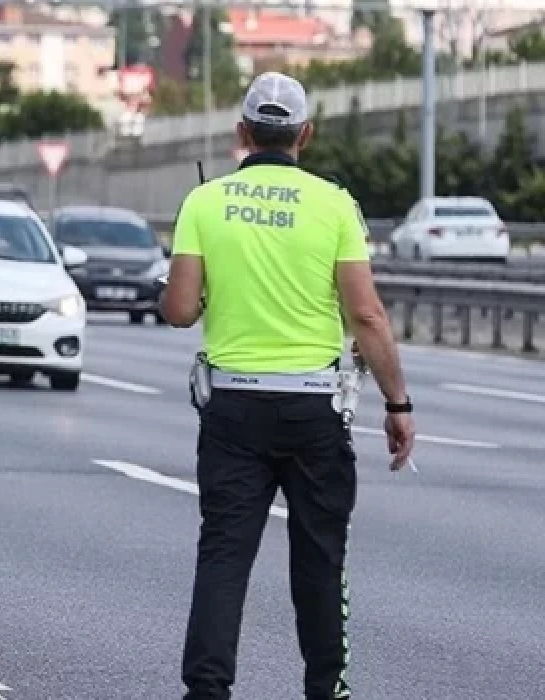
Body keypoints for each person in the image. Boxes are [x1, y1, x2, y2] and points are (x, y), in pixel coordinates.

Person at [161, 72, 417, 700]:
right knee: (320, 559)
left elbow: (179, 309)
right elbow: (367, 317)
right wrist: (398, 402)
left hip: (234, 408)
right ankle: (327, 689)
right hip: (314, 410)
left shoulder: (206, 201)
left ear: (242, 132)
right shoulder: (334, 204)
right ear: (305, 134)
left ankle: (208, 690)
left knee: (224, 555)